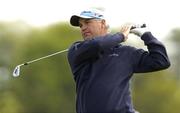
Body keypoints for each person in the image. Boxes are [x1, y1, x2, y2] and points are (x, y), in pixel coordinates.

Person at [67, 8, 170, 113]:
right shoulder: (77, 50)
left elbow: (161, 61)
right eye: (80, 25)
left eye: (87, 22)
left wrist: (146, 35)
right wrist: (121, 36)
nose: (83, 28)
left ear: (102, 23)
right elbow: (98, 44)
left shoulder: (126, 53)